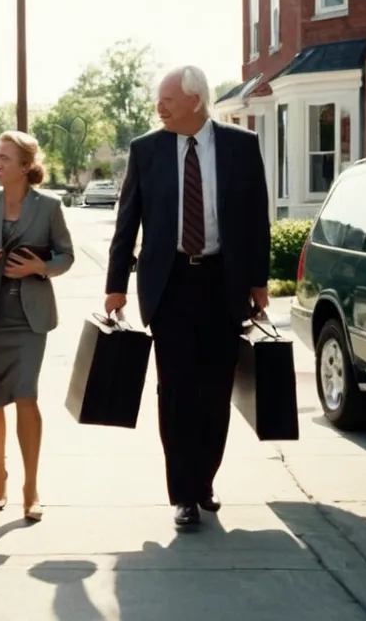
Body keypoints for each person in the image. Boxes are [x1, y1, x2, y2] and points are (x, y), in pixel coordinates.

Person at [104, 65, 270, 528]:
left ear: (195, 100)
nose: (159, 107)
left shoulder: (241, 146)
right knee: (175, 391)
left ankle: (204, 480)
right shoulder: (146, 150)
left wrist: (259, 281)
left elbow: (257, 217)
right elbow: (127, 222)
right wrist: (115, 285)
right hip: (170, 284)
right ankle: (182, 494)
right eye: (158, 100)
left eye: (167, 99)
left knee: (216, 391)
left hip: (224, 283)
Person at [0, 131, 74, 522]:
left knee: (26, 396)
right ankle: (0, 475)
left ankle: (31, 486)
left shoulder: (49, 207)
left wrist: (40, 267)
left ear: (26, 167)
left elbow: (66, 255)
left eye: (5, 159)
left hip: (29, 320)